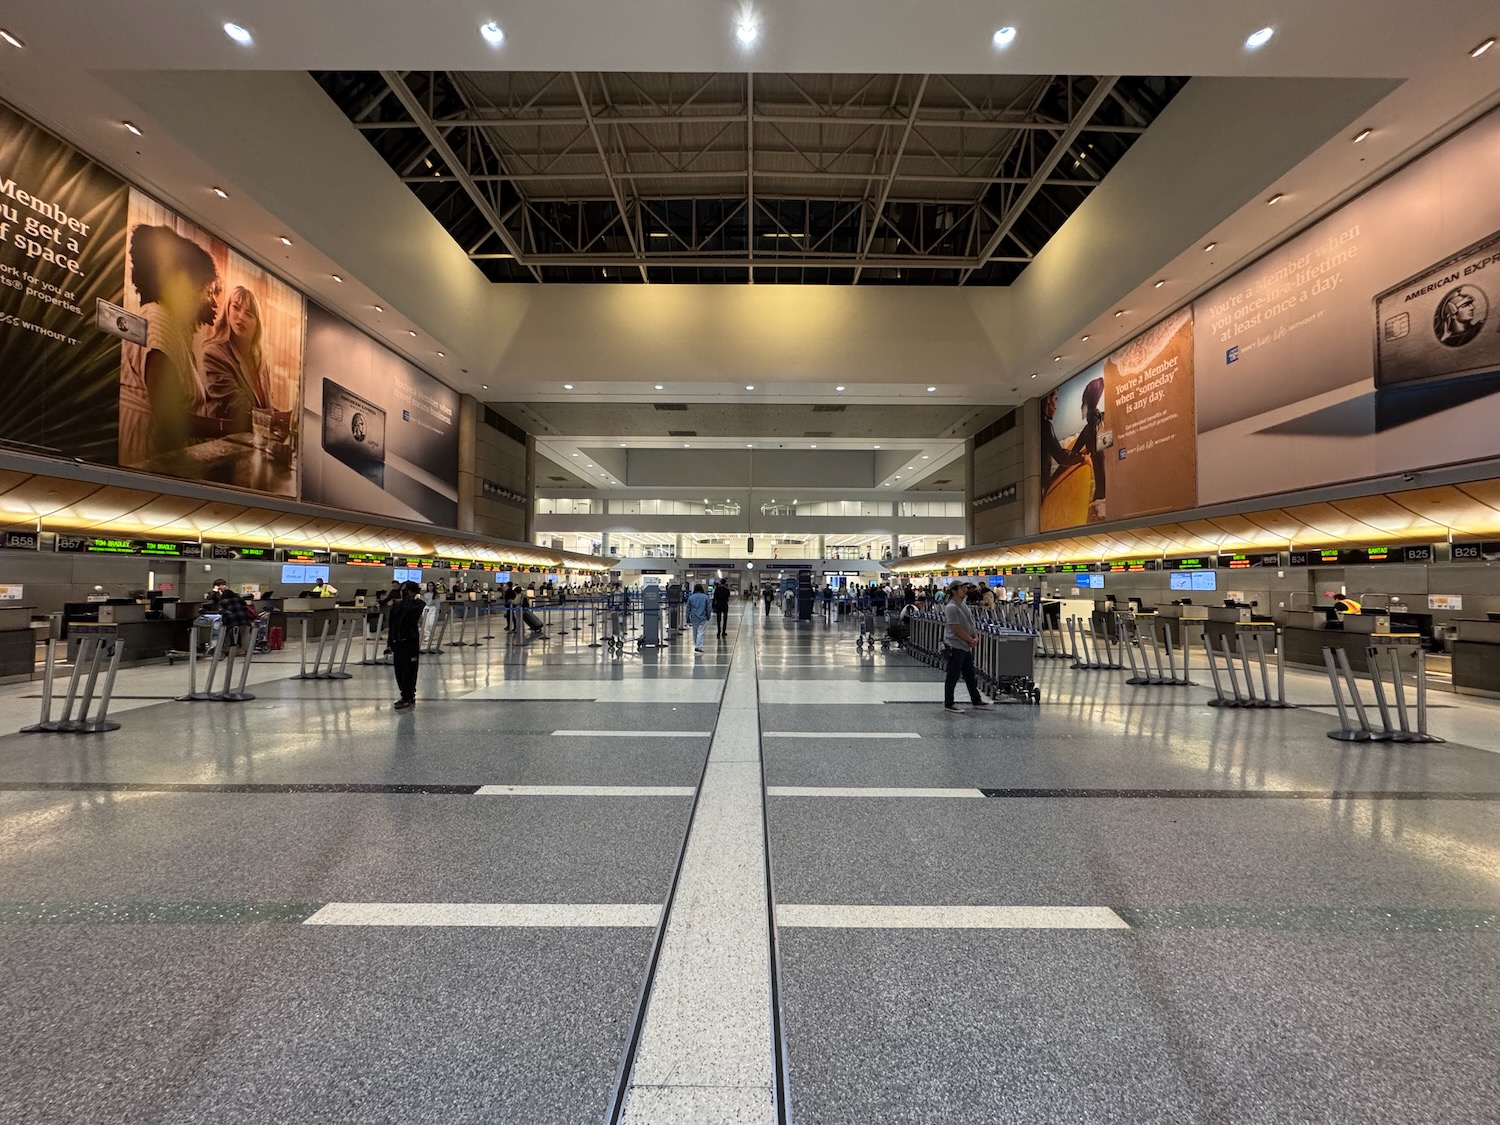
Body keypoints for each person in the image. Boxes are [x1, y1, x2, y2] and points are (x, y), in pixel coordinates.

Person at [119, 224, 222, 465]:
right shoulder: (159, 321)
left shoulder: (165, 324)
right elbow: (169, 418)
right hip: (146, 459)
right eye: (207, 291)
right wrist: (232, 427)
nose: (211, 301)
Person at [200, 285, 289, 439]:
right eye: (236, 307)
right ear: (227, 310)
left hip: (253, 446)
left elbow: (262, 408)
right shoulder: (214, 354)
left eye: (249, 314)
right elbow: (241, 412)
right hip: (223, 447)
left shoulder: (260, 361)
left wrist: (289, 418)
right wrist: (282, 417)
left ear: (257, 325)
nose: (241, 316)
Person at [942, 582, 991, 713]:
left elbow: (970, 623)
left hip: (964, 646)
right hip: (955, 646)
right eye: (962, 588)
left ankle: (976, 699)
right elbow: (956, 628)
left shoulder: (963, 605)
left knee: (969, 674)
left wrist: (976, 637)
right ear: (954, 591)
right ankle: (949, 703)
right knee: (953, 675)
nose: (965, 590)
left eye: (966, 587)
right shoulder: (951, 607)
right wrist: (970, 639)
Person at [385, 580, 423, 710]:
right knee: (399, 670)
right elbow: (392, 626)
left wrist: (407, 599)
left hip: (410, 642)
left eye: (406, 591)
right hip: (398, 642)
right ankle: (404, 694)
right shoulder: (396, 608)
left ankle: (408, 696)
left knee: (409, 671)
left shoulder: (418, 605)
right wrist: (389, 643)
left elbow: (409, 615)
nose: (403, 593)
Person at [686, 582, 711, 652]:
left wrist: (687, 618)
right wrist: (708, 616)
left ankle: (696, 644)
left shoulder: (691, 597)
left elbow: (688, 609)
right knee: (701, 632)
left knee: (695, 632)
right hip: (703, 617)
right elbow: (708, 608)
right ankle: (698, 646)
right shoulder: (705, 597)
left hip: (694, 617)